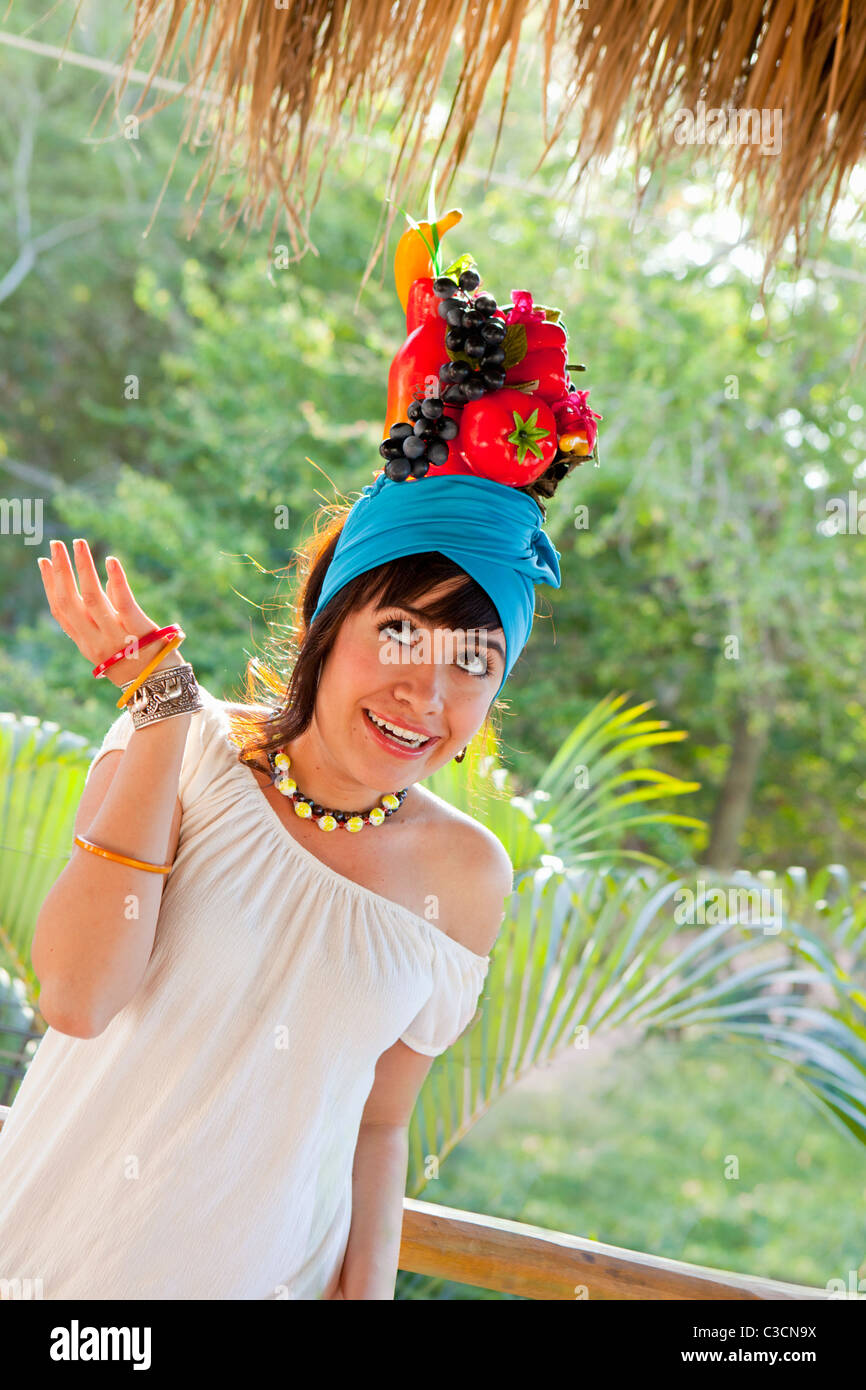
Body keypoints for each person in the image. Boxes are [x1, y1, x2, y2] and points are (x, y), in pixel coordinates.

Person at [0, 218, 600, 1299]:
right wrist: (158, 709)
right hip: (51, 1263)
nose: (430, 692)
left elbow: (378, 1122)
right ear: (330, 622)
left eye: (476, 659)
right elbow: (84, 996)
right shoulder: (178, 744)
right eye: (401, 634)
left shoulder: (464, 876)